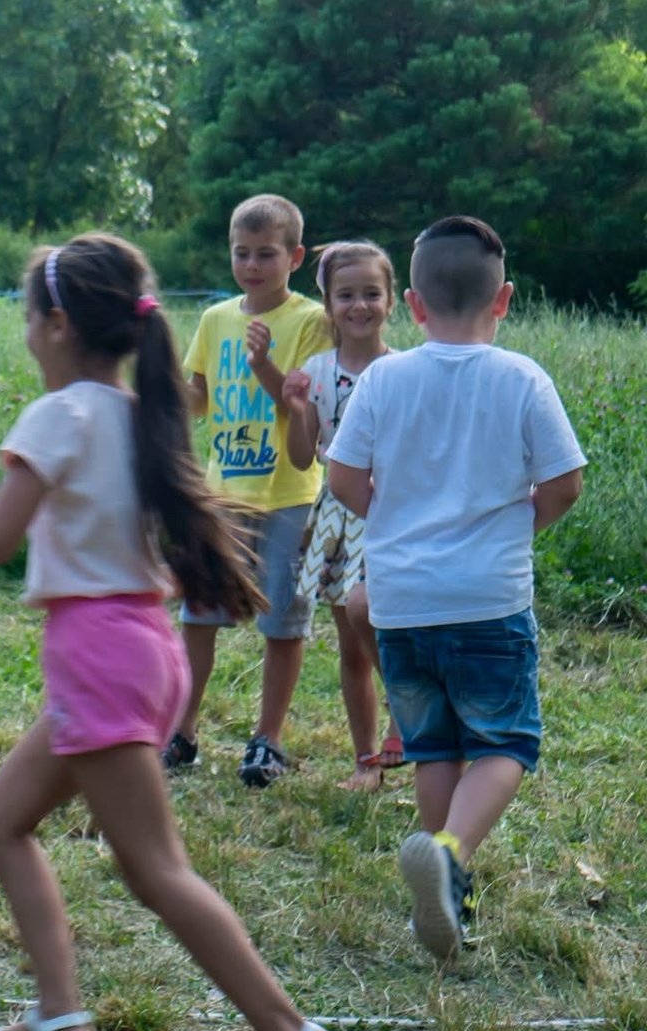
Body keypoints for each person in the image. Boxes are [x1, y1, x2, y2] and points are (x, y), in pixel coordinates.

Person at [0, 234, 361, 1031]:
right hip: (137, 647)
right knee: (1, 820)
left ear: (55, 324)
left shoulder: (60, 416)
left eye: (25, 318)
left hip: (98, 652)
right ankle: (62, 1020)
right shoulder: (134, 411)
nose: (24, 334)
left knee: (157, 869)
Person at [326, 216, 584, 963]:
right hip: (488, 601)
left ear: (412, 304)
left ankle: (445, 893)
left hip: (403, 603)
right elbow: (564, 484)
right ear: (502, 300)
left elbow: (343, 475)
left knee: (434, 743)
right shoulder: (521, 377)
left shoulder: (383, 378)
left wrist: (399, 519)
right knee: (507, 741)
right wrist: (515, 527)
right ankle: (449, 849)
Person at [168, 193, 334, 786]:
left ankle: (267, 738)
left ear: (295, 256)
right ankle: (181, 730)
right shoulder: (215, 319)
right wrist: (157, 383)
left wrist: (265, 365)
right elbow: (199, 398)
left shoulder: (313, 321)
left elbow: (306, 406)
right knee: (200, 612)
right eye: (242, 253)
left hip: (290, 493)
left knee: (283, 619)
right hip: (224, 495)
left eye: (267, 254)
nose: (252, 265)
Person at [281, 242, 400, 791]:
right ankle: (365, 763)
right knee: (351, 644)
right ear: (327, 305)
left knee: (395, 627)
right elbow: (304, 457)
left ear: (391, 300)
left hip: (397, 512)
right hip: (336, 511)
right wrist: (299, 409)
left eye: (371, 294)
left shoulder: (405, 371)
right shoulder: (315, 371)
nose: (359, 306)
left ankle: (410, 718)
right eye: (346, 295)